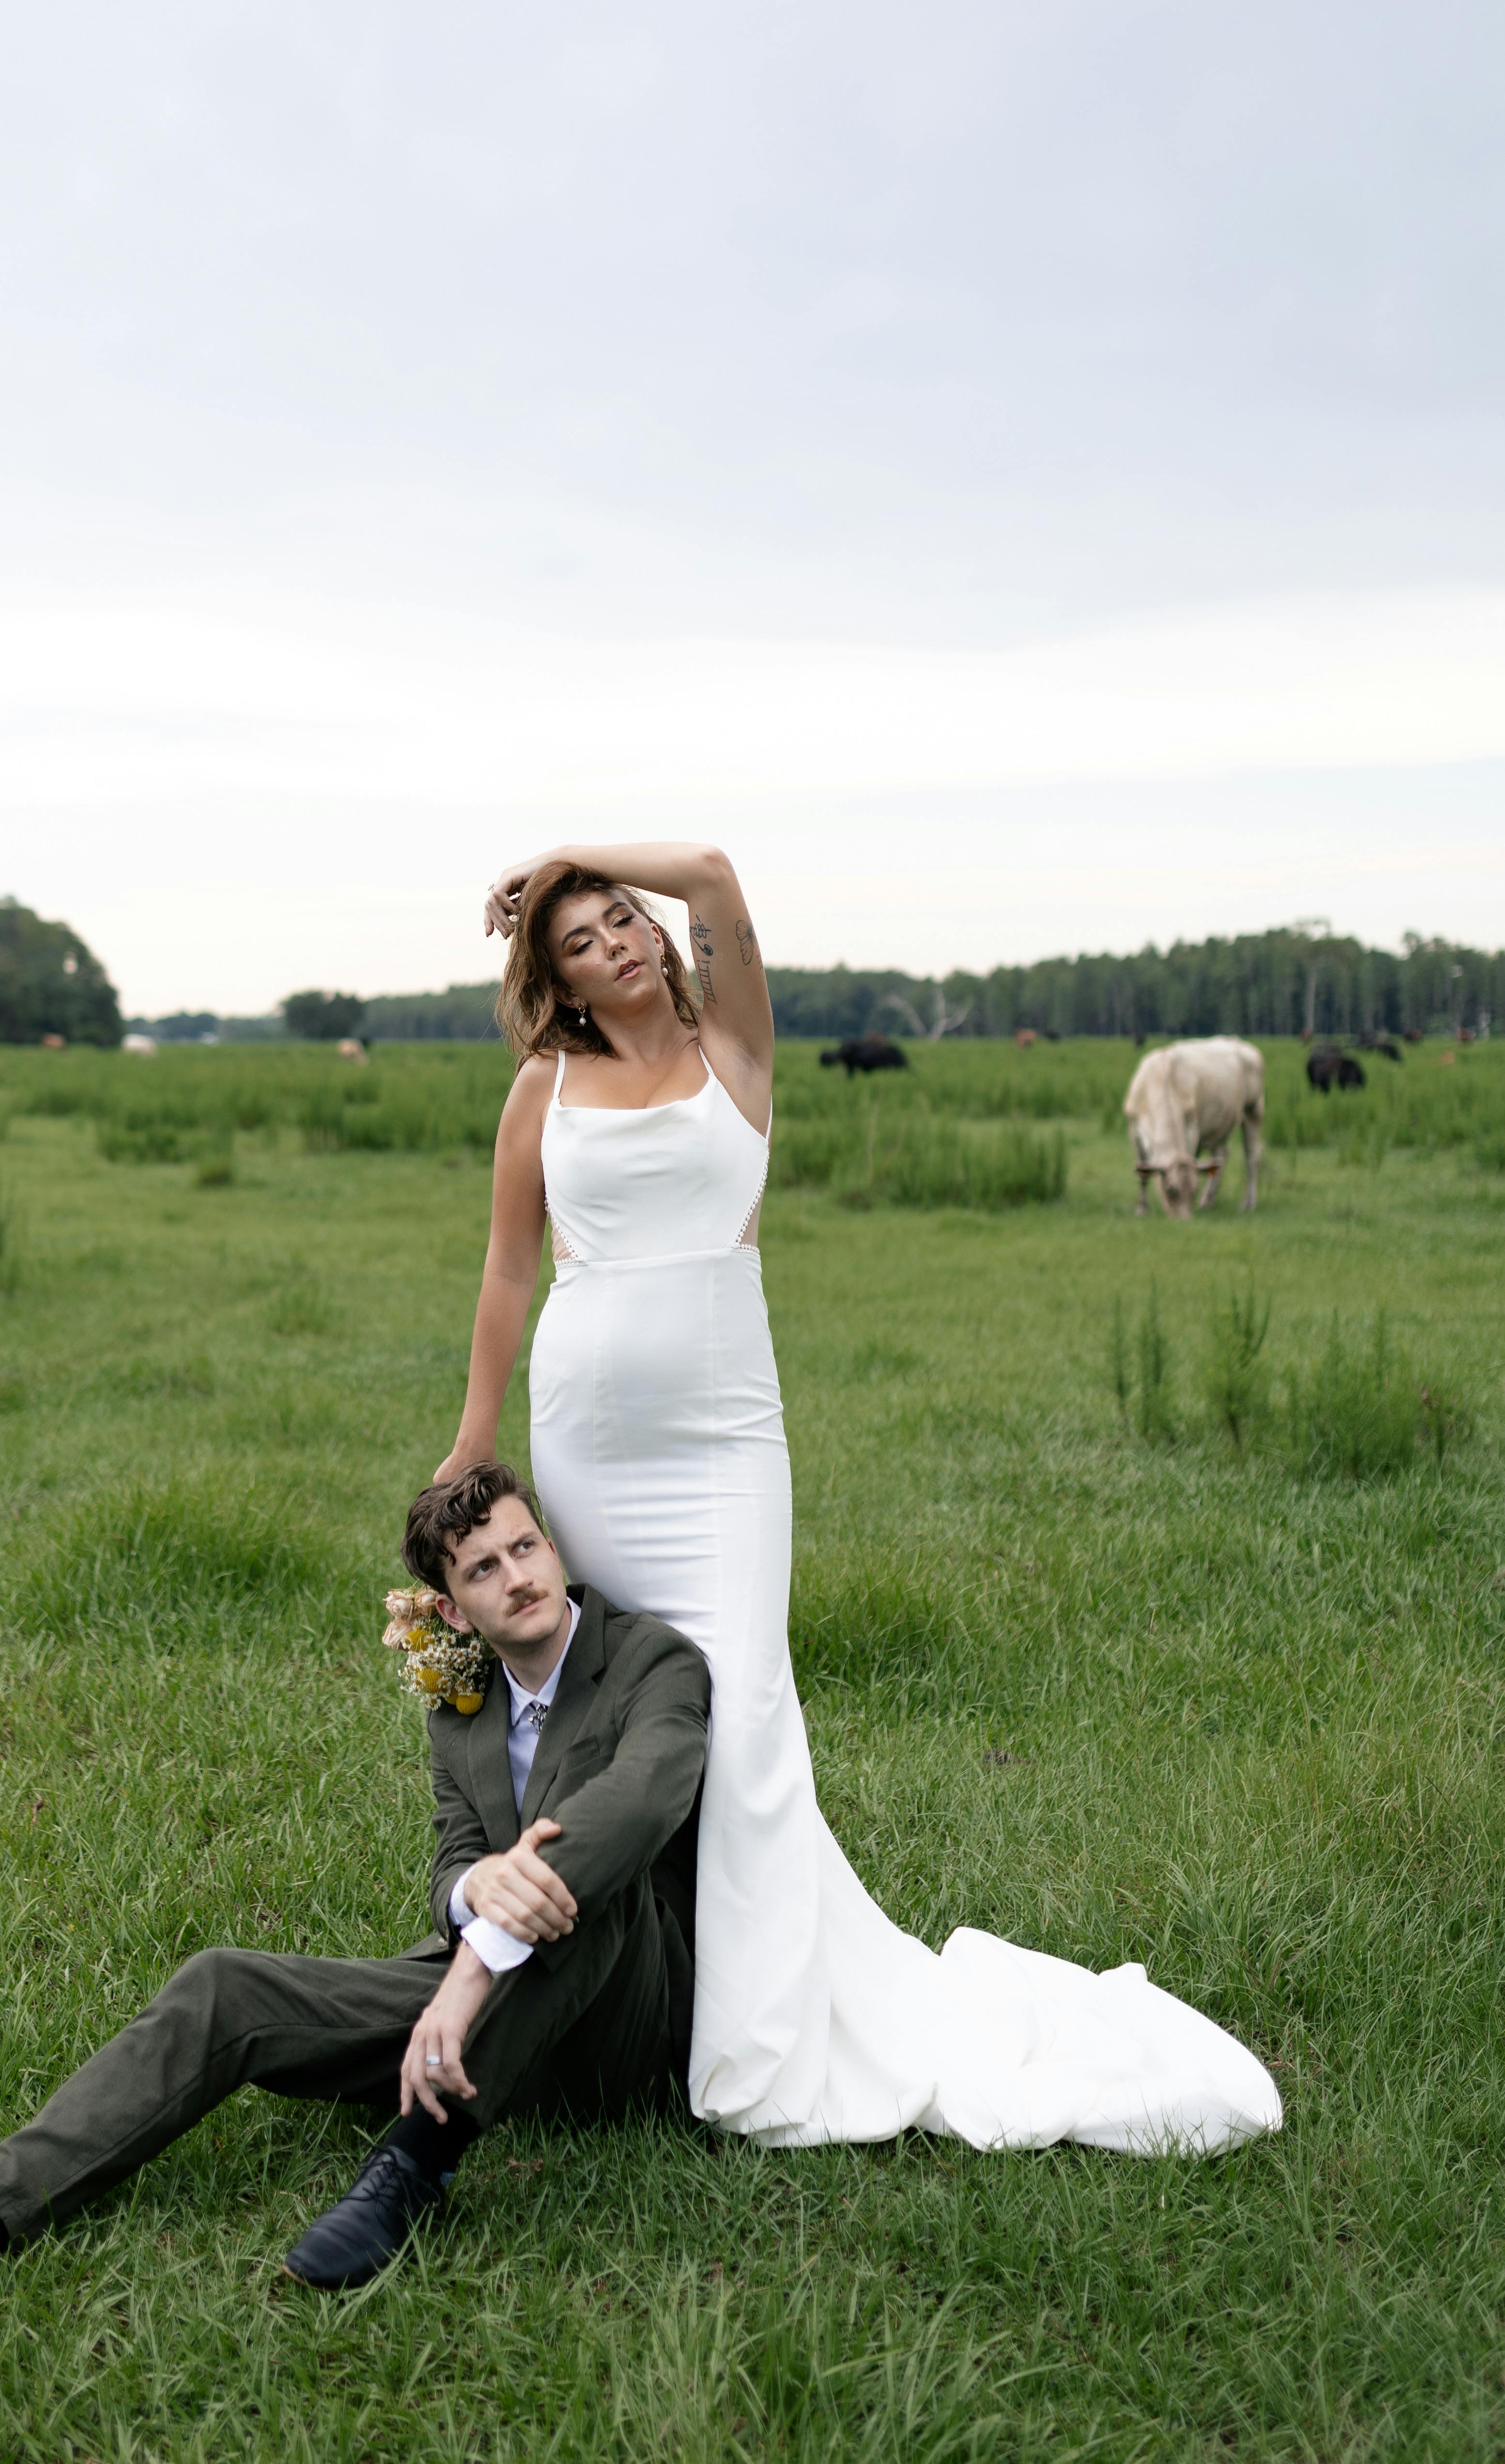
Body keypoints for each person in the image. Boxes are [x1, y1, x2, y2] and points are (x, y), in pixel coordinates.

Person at [436, 840, 1282, 2154]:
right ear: (561, 988)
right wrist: (471, 1442)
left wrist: (569, 855)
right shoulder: (543, 1088)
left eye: (619, 920)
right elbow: (504, 1272)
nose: (614, 941)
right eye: (578, 942)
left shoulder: (737, 1054)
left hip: (722, 1441)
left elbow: (710, 871)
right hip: (589, 1427)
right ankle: (642, 1992)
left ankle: (761, 2044)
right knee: (623, 1708)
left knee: (747, 1707)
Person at [0, 1466, 710, 2297]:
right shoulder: (461, 1709)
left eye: (524, 1546)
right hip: (474, 2018)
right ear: (452, 1609)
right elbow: (453, 1861)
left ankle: (413, 2167)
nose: (519, 1576)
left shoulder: (647, 1658)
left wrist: (476, 1961)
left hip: (612, 2024)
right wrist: (470, 1901)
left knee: (592, 1868)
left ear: (550, 1545)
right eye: (484, 1568)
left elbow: (644, 1794)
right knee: (223, 1984)